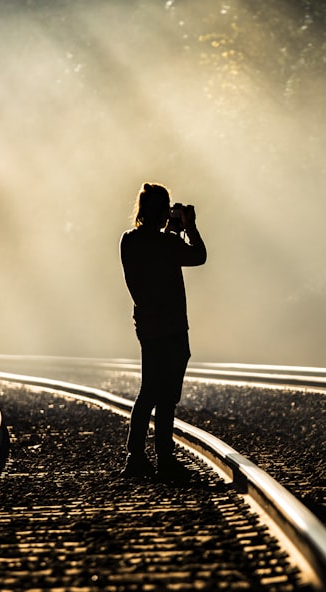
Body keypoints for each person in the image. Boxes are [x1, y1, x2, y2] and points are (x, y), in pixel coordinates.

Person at [119, 182, 207, 481]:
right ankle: (165, 458)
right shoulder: (167, 244)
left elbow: (152, 255)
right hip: (172, 326)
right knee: (167, 395)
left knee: (148, 390)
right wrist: (190, 227)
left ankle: (135, 456)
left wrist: (170, 230)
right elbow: (198, 256)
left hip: (147, 325)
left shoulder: (129, 241)